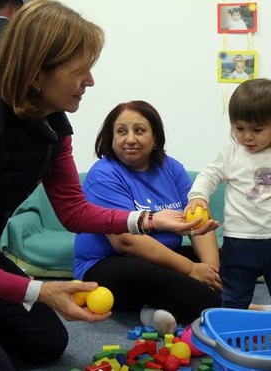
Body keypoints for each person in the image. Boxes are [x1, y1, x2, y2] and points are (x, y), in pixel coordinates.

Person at [0, 1, 216, 370]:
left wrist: (151, 221)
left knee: (47, 342)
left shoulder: (52, 124)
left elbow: (73, 211)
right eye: (81, 71)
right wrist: (41, 291)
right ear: (35, 74)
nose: (90, 81)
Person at [73, 100, 222, 336]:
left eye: (139, 130)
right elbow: (125, 242)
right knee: (154, 277)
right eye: (121, 131)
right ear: (110, 138)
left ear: (155, 138)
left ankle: (151, 311)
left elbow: (198, 220)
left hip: (162, 259)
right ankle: (224, 306)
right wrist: (192, 270)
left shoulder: (171, 168)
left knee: (235, 257)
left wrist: (210, 271)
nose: (130, 139)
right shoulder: (104, 174)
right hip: (109, 263)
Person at [187, 78, 271, 310]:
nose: (247, 137)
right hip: (240, 240)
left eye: (257, 130)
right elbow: (208, 176)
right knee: (234, 295)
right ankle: (232, 336)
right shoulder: (231, 154)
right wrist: (198, 196)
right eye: (239, 128)